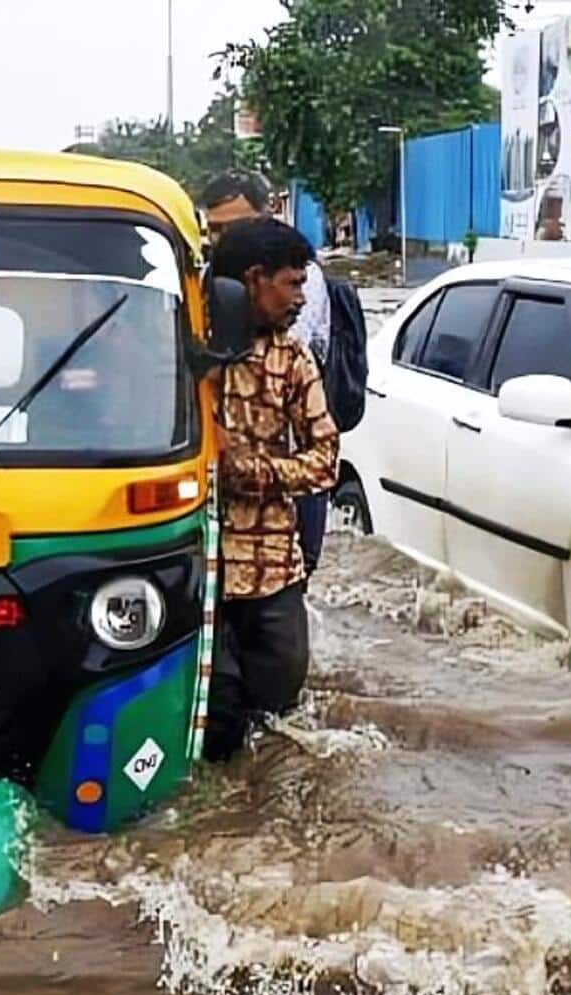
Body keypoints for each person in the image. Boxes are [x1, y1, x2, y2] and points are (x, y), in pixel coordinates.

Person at [204, 217, 340, 760]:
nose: (302, 299)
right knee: (216, 726)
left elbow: (325, 461)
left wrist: (251, 468)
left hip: (271, 571)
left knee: (282, 720)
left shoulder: (292, 359)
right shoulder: (185, 346)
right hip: (199, 570)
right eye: (293, 283)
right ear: (255, 280)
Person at [201, 170, 351, 576]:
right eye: (214, 231)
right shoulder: (202, 283)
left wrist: (237, 464)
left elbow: (272, 363)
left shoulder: (296, 286)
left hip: (285, 482)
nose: (222, 242)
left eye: (233, 228)